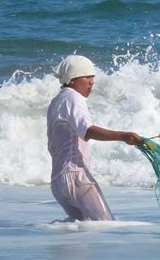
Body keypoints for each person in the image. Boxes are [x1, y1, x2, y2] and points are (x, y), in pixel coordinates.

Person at [47, 55, 141, 221]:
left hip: (57, 182)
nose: (91, 82)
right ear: (72, 79)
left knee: (80, 230)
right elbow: (88, 131)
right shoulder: (73, 97)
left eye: (92, 77)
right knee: (106, 224)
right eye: (87, 76)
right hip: (76, 177)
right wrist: (123, 135)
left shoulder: (57, 101)